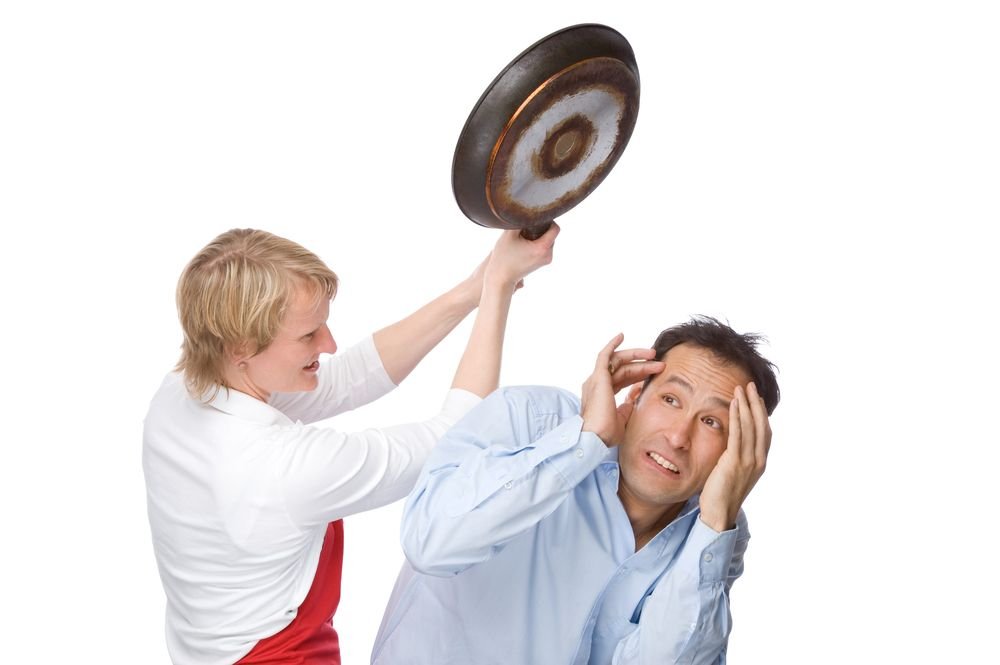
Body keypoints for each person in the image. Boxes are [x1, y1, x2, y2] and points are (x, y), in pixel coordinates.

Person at [142, 224, 558, 665]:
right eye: (308, 336)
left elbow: (343, 379)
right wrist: (499, 290)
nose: (329, 343)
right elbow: (454, 437)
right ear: (242, 347)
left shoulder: (179, 393)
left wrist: (477, 286)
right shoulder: (283, 468)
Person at [373, 316, 779, 664]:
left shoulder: (715, 529)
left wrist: (713, 526)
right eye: (670, 399)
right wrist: (583, 442)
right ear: (636, 394)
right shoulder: (530, 420)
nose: (677, 436)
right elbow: (430, 543)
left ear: (739, 450)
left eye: (713, 423)